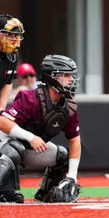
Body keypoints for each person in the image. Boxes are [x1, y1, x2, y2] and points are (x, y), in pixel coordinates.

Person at [0, 54, 81, 203]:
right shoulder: (30, 98)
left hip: (28, 148)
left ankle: (47, 193)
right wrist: (31, 137)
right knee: (14, 148)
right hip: (5, 143)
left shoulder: (69, 107)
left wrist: (72, 177)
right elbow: (2, 122)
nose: (71, 80)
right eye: (66, 75)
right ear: (52, 77)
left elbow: (75, 142)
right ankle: (3, 191)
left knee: (63, 156)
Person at [0, 14, 25, 110]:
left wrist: (1, 109)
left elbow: (8, 82)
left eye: (16, 35)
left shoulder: (13, 55)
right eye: (9, 34)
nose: (14, 39)